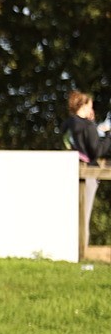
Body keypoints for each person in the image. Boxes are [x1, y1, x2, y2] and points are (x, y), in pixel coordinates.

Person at [64, 91, 111, 243]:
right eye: (90, 106)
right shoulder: (87, 125)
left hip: (67, 170)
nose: (92, 109)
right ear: (83, 106)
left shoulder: (67, 124)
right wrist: (108, 137)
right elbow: (97, 151)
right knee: (84, 212)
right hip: (86, 172)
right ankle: (81, 248)